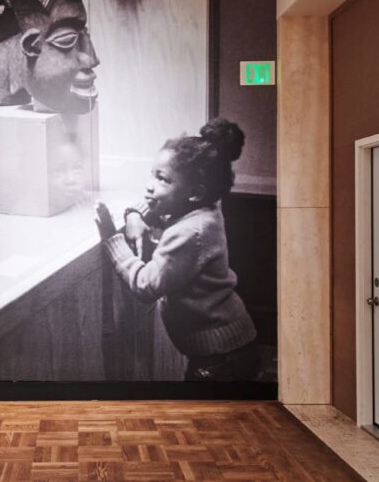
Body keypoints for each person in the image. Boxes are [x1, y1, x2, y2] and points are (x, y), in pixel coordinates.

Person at [95, 118, 259, 381]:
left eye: (162, 179)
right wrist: (136, 215)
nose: (150, 185)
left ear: (195, 192)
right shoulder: (205, 208)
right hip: (228, 347)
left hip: (220, 359)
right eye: (152, 174)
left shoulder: (190, 232)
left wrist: (112, 240)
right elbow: (165, 207)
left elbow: (146, 286)